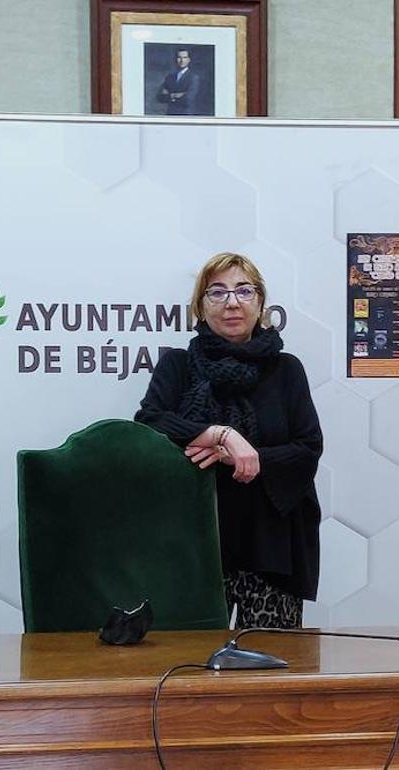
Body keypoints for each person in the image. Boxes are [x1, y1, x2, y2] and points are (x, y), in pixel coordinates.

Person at [135, 252, 323, 628]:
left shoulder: (286, 369)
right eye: (217, 292)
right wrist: (223, 434)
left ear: (261, 303)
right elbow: (149, 422)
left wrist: (240, 457)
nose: (232, 302)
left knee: (269, 673)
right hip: (195, 545)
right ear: (200, 308)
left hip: (271, 545)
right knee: (187, 670)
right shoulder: (178, 365)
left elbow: (307, 447)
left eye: (243, 290)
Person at [156, 48, 204, 116]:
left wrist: (169, 96)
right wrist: (174, 95)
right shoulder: (170, 77)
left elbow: (188, 100)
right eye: (179, 57)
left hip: (186, 115)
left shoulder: (193, 77)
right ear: (176, 59)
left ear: (189, 60)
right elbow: (159, 97)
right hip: (170, 115)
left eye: (185, 57)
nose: (182, 60)